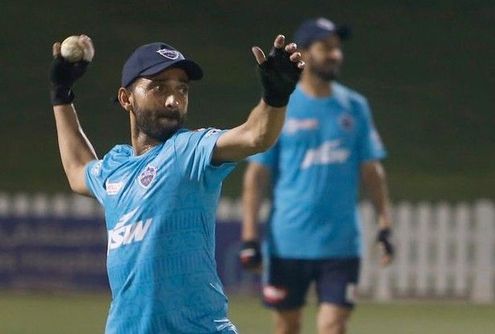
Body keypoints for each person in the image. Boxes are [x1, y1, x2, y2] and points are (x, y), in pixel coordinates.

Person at [49, 34, 304, 333]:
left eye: (181, 89)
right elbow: (78, 168)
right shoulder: (116, 167)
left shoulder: (188, 150)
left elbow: (256, 135)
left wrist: (275, 98)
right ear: (126, 98)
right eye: (158, 87)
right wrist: (60, 93)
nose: (173, 100)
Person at [239, 18, 395, 334]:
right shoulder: (279, 105)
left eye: (338, 48)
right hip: (287, 243)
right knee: (287, 326)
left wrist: (385, 225)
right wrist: (250, 237)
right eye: (326, 48)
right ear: (306, 54)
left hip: (340, 245)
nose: (335, 55)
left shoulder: (355, 106)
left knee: (333, 326)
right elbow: (256, 176)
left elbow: (372, 171)